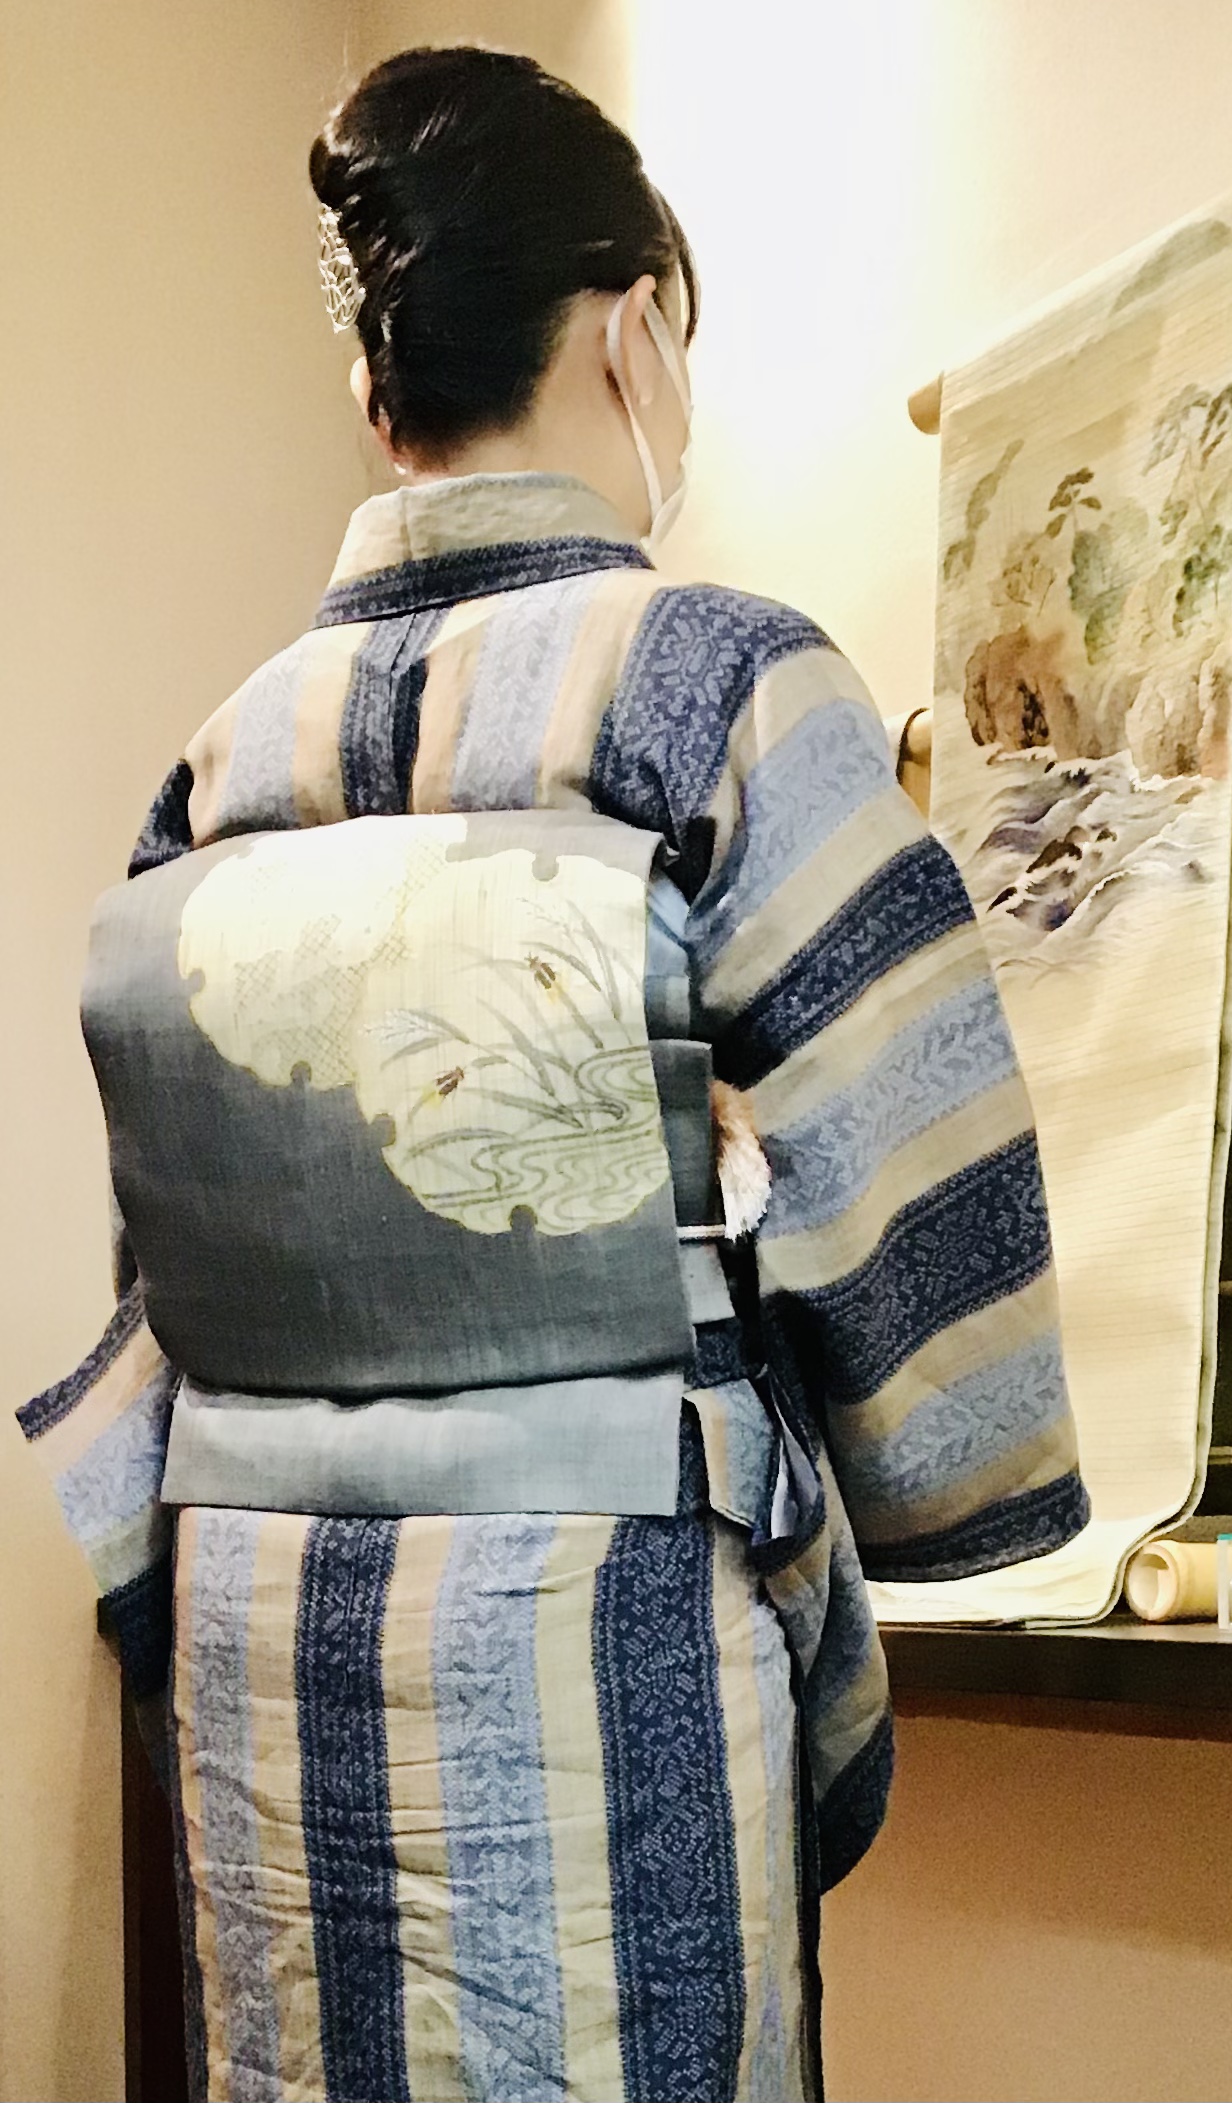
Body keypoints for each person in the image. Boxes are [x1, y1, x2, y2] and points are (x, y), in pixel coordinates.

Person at [19, 44, 1087, 2103]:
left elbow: (190, 1269)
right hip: (594, 1629)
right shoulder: (719, 686)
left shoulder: (220, 766)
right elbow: (910, 1186)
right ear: (635, 329)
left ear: (380, 391)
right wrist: (935, 1469)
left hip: (264, 1639)